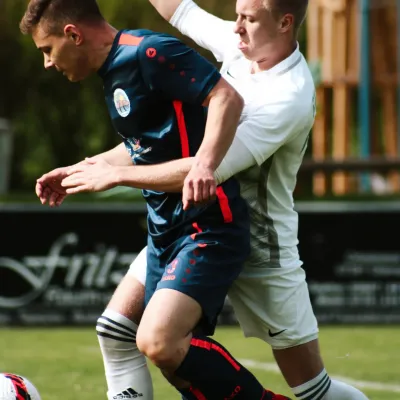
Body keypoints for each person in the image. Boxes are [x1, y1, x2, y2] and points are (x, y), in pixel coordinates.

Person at [60, 0, 369, 400]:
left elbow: (205, 168)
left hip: (260, 247)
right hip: (197, 225)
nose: (236, 27)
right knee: (119, 330)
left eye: (249, 18)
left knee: (313, 390)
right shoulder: (241, 43)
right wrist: (92, 167)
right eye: (237, 14)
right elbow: (180, 10)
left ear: (285, 23)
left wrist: (115, 174)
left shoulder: (287, 97)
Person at [20, 1, 291, 400]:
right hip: (164, 230)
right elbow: (142, 147)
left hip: (207, 225)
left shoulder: (148, 53)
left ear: (73, 35)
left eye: (47, 50)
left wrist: (205, 165)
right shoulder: (113, 71)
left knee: (160, 342)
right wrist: (79, 170)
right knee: (124, 334)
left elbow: (226, 98)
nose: (47, 63)